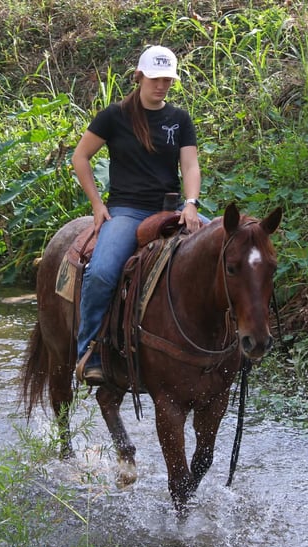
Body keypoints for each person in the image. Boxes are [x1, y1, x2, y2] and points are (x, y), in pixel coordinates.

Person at [72, 45, 203, 385]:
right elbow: (80, 157)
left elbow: (190, 164)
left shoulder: (179, 119)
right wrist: (97, 205)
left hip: (172, 208)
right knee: (101, 272)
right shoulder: (114, 116)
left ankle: (225, 348)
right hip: (128, 210)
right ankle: (89, 351)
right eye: (155, 79)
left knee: (227, 250)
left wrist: (191, 203)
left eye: (167, 80)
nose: (161, 86)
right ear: (139, 76)